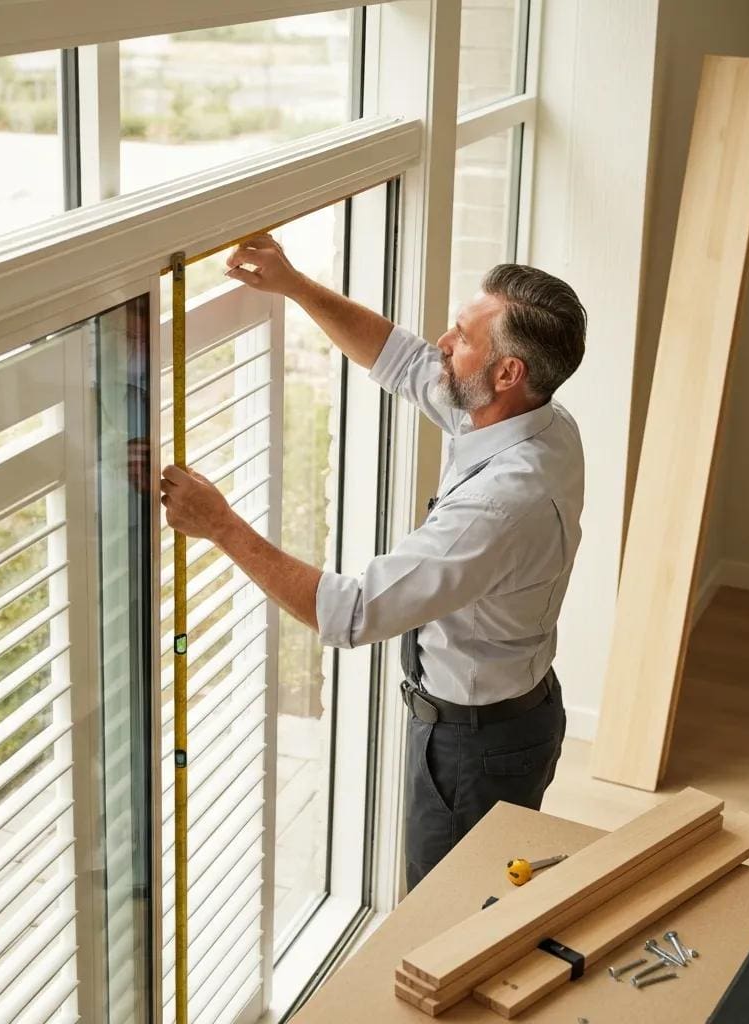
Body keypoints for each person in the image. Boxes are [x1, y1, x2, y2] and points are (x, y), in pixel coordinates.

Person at [160, 233, 586, 890]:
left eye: (464, 336)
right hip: (508, 716)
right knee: (481, 901)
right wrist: (295, 285)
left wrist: (219, 525)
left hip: (477, 748)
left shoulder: (504, 504)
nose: (444, 342)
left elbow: (351, 612)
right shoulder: (533, 418)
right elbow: (404, 359)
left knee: (442, 922)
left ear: (508, 374)